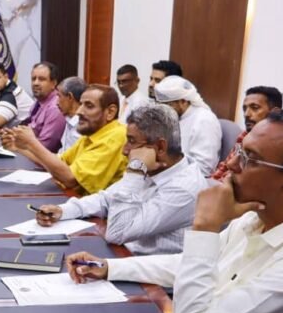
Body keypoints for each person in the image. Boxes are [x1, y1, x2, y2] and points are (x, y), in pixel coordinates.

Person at [66, 110, 283, 313]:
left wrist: (205, 226)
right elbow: (188, 263)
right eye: (238, 151)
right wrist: (110, 267)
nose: (231, 163)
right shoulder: (252, 218)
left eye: (250, 159)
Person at [35, 104, 208, 254]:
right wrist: (63, 210)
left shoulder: (183, 188)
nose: (125, 150)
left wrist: (135, 170)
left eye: (131, 141)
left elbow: (117, 232)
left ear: (160, 147)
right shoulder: (156, 167)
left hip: (148, 275)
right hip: (123, 256)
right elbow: (106, 199)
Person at [1, 84, 127, 195]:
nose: (79, 111)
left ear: (110, 112)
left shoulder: (114, 138)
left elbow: (71, 179)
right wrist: (19, 148)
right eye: (81, 104)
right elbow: (59, 162)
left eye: (89, 106)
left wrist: (32, 143)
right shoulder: (93, 134)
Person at [154, 76, 222, 176]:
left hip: (189, 180)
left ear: (183, 101)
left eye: (167, 105)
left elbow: (204, 168)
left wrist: (167, 166)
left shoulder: (204, 120)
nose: (163, 110)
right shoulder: (174, 118)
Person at [213, 86, 282, 180]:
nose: (246, 114)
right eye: (245, 109)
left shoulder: (279, 146)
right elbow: (222, 171)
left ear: (275, 112)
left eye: (255, 108)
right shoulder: (245, 135)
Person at [20, 61, 65, 152]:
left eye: (41, 79)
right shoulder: (39, 102)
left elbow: (46, 147)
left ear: (53, 83)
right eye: (33, 79)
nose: (35, 83)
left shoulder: (55, 108)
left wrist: (17, 145)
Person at [56, 76, 86, 153]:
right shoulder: (69, 120)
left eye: (59, 96)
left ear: (70, 97)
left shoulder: (82, 127)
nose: (56, 102)